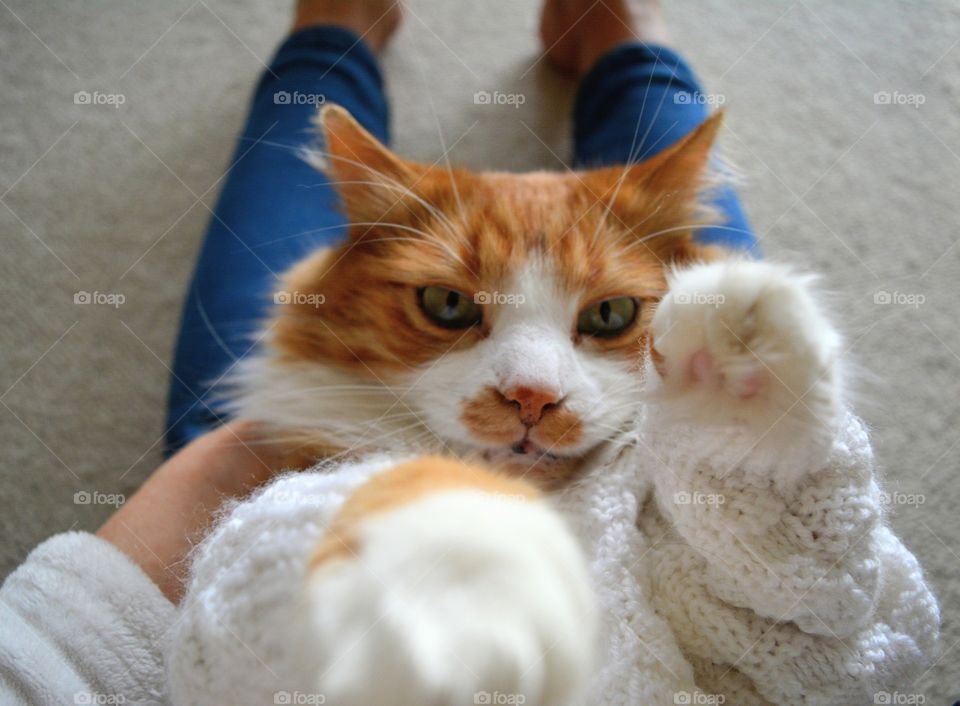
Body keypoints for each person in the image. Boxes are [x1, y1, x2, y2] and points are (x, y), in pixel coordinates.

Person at [0, 1, 755, 702]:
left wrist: (199, 523)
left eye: (610, 314)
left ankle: (334, 35)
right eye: (450, 306)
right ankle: (625, 45)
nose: (532, 389)